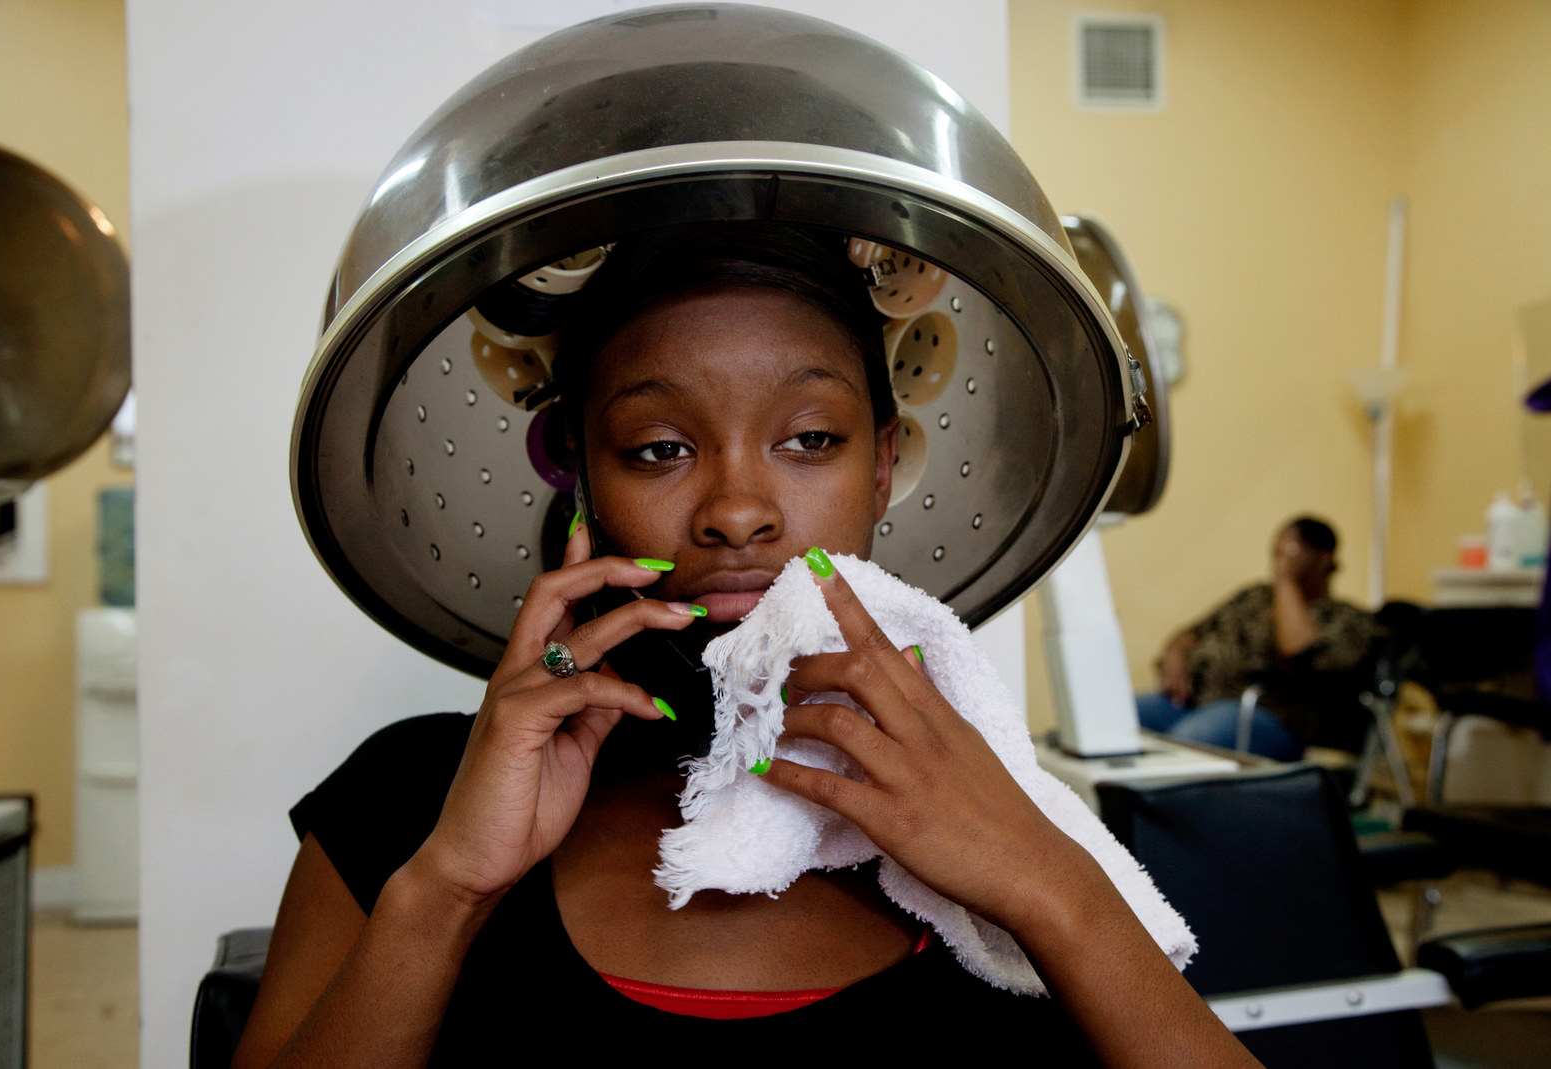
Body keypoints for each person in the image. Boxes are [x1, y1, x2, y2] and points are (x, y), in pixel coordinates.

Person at [234, 226, 1258, 1068]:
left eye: (809, 437)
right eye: (659, 447)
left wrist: (1056, 888)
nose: (735, 510)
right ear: (581, 479)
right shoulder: (414, 799)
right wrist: (450, 886)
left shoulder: (996, 816)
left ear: (885, 464)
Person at [1138, 517, 1376, 761]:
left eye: (1292, 551)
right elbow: (1189, 634)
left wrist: (1285, 579)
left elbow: (1298, 650)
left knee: (1181, 746)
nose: (1279, 558)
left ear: (1324, 558)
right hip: (1191, 701)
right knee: (1113, 722)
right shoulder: (1255, 596)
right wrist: (1175, 655)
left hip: (1267, 717)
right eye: (1277, 550)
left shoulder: (1346, 618)